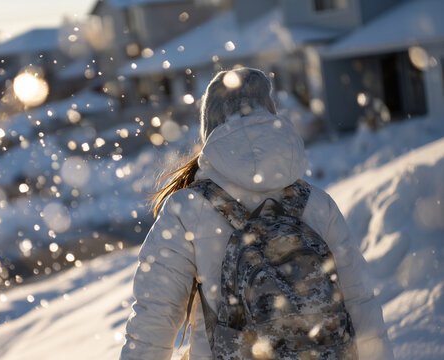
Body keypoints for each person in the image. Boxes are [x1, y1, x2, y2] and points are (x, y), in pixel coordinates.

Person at [119, 68, 393, 360]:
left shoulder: (188, 209)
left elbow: (153, 323)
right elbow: (360, 304)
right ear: (270, 113)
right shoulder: (316, 202)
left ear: (210, 127)